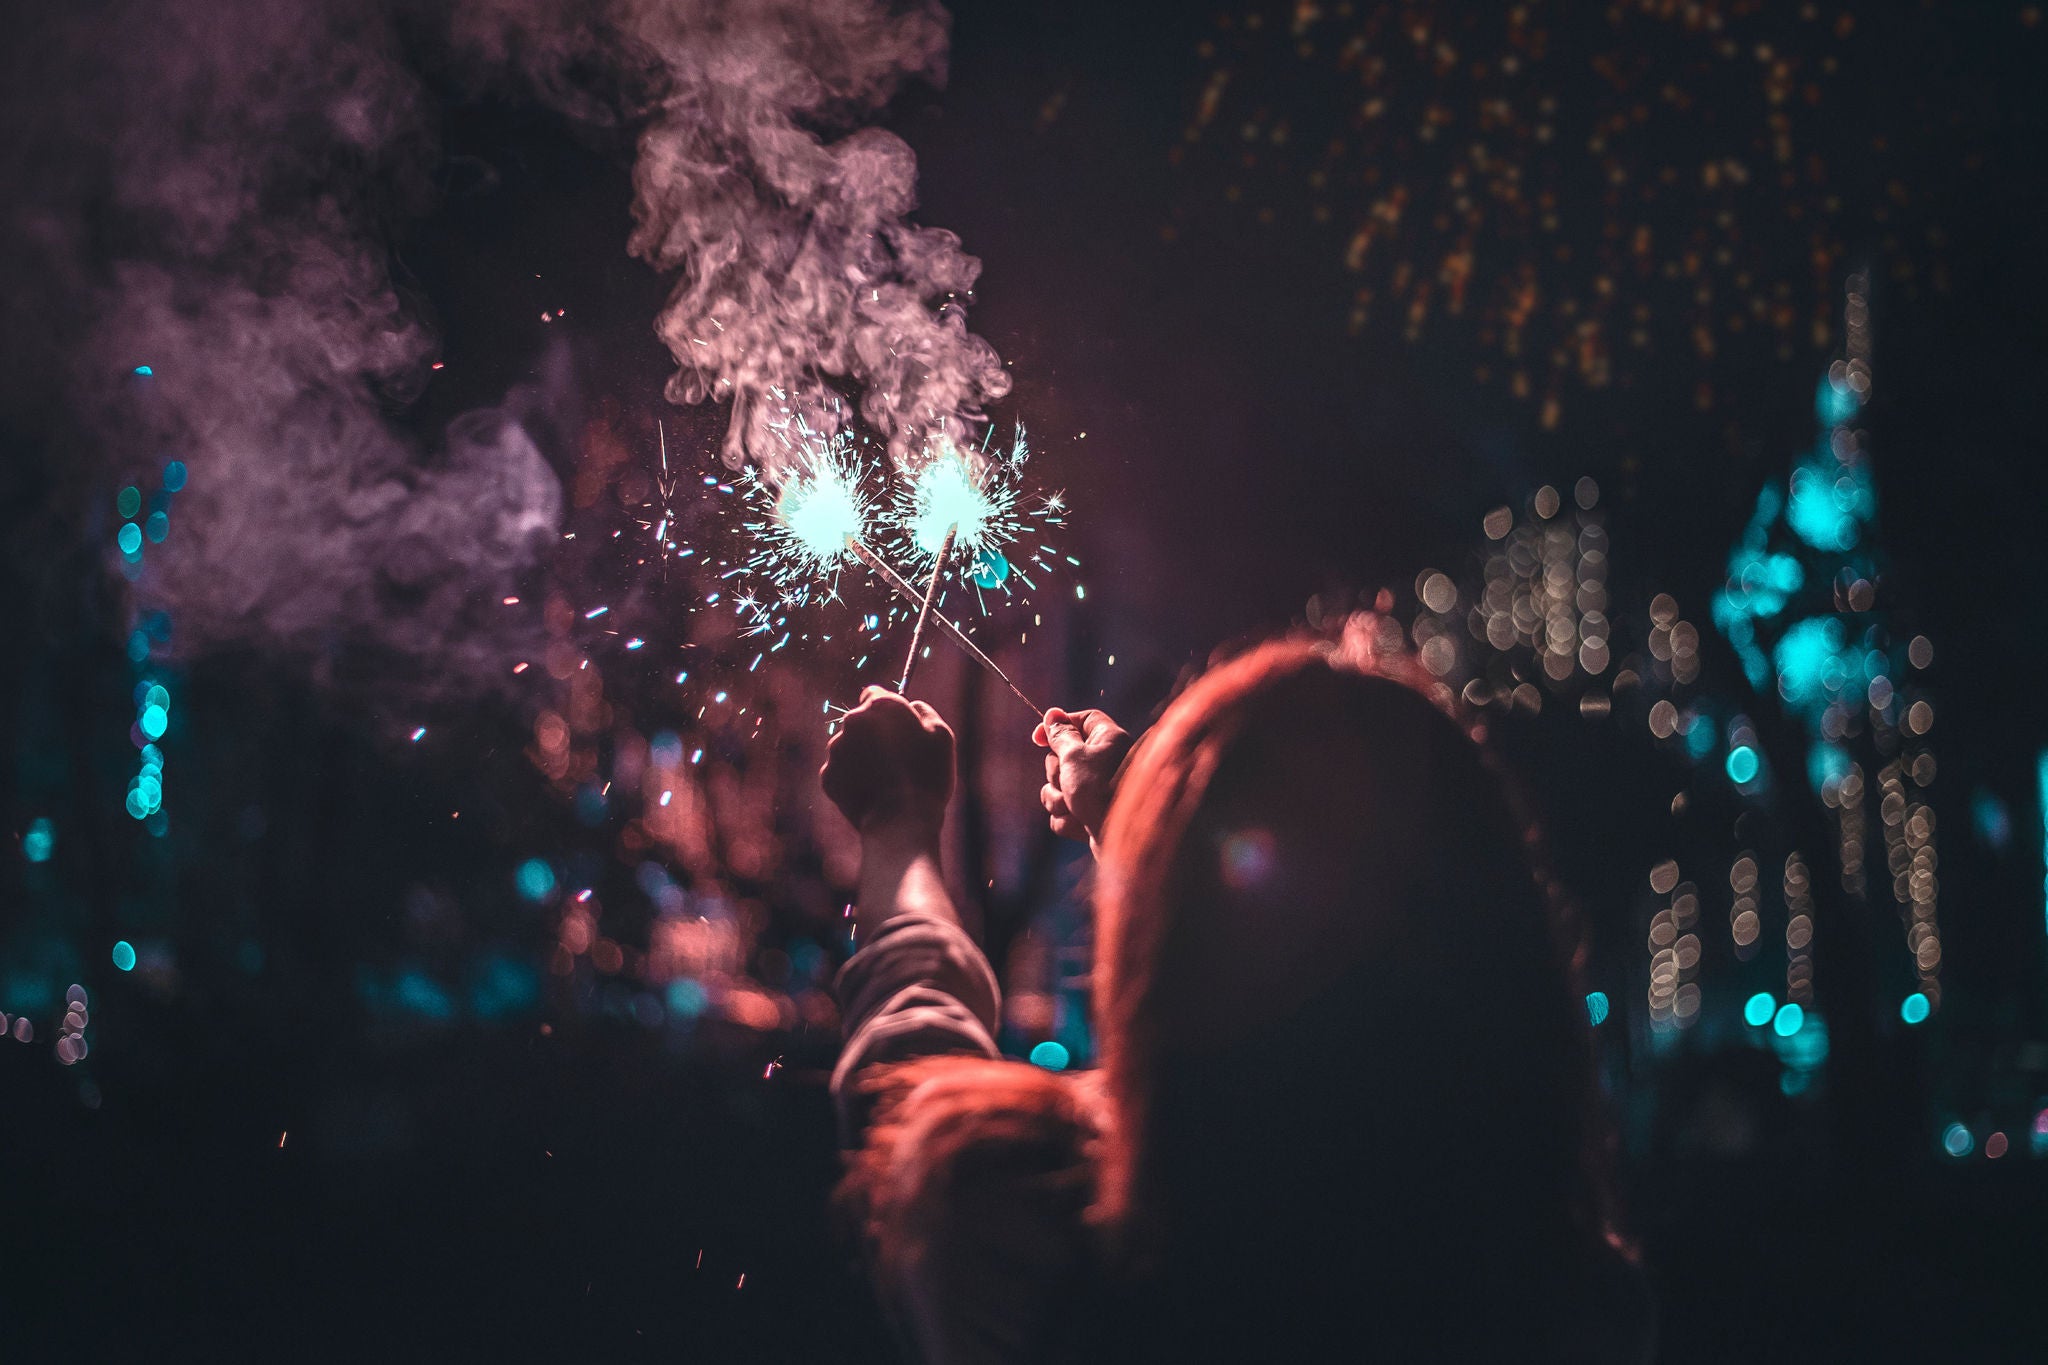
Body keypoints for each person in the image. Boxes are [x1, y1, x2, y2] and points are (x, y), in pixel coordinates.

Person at [822, 637, 1654, 1363]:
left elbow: (913, 1090)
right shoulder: (1576, 1300)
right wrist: (1146, 818)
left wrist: (898, 822)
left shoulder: (1049, 1246)